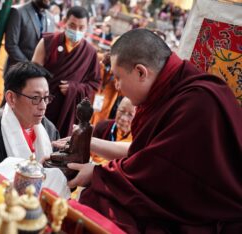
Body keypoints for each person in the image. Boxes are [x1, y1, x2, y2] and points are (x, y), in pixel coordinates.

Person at [65, 29, 242, 233]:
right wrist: (88, 142)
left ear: (141, 72)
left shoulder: (198, 102)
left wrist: (98, 173)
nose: (117, 86)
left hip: (212, 216)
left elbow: (160, 172)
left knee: (99, 200)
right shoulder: (171, 90)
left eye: (118, 77)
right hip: (181, 199)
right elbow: (148, 153)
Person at [0, 61, 69, 197]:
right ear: (11, 98)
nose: (43, 106)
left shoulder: (49, 130)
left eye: (46, 98)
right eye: (35, 98)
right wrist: (33, 173)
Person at [32, 6, 101, 137]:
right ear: (64, 21)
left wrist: (74, 88)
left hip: (66, 108)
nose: (76, 31)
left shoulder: (90, 53)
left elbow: (95, 83)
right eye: (72, 25)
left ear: (87, 26)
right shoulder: (48, 42)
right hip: (41, 102)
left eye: (81, 27)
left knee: (56, 142)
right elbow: (32, 72)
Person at [5, 0, 55, 71]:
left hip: (38, 74)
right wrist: (29, 67)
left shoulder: (51, 18)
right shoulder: (18, 11)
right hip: (16, 73)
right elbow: (11, 45)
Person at [91, 97, 135, 165]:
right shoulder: (102, 127)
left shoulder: (138, 139)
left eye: (130, 115)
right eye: (121, 111)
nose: (123, 118)